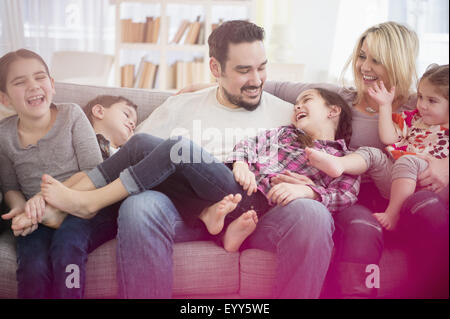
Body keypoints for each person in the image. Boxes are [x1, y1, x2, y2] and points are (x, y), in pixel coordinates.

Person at [181, 21, 449, 298]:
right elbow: (276, 86)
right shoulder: (340, 98)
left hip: (399, 193)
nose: (364, 66)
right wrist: (216, 84)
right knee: (360, 223)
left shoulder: (422, 105)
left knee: (429, 208)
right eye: (361, 56)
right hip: (349, 196)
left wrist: (446, 165)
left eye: (375, 60)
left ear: (397, 62)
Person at [103, 20, 334, 299]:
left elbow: (330, 137)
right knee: (139, 206)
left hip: (258, 213)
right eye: (243, 70)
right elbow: (133, 153)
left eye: (262, 67)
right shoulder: (180, 106)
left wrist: (308, 188)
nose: (257, 80)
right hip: (184, 212)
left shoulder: (290, 114)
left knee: (313, 214)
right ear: (215, 68)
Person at [40, 87, 359, 253]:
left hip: (261, 205)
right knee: (140, 144)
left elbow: (343, 197)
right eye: (297, 102)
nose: (298, 107)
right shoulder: (281, 134)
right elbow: (248, 146)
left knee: (177, 147)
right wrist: (243, 163)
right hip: (236, 187)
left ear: (333, 110)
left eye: (307, 101)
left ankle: (89, 201)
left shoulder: (346, 160)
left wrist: (309, 190)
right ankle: (60, 205)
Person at [0, 49, 138, 299]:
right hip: (40, 216)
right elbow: (10, 187)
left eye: (39, 77)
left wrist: (50, 200)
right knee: (32, 262)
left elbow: (95, 171)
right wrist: (22, 211)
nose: (32, 86)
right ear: (5, 99)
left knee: (67, 247)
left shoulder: (71, 115)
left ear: (52, 85)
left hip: (85, 208)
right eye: (20, 82)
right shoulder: (4, 135)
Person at [306, 64, 449, 230]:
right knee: (373, 153)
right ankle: (339, 163)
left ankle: (393, 214)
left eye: (432, 101)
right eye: (421, 97)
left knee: (409, 161)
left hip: (427, 186)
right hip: (396, 180)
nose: (422, 105)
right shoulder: (414, 120)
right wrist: (385, 106)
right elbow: (389, 138)